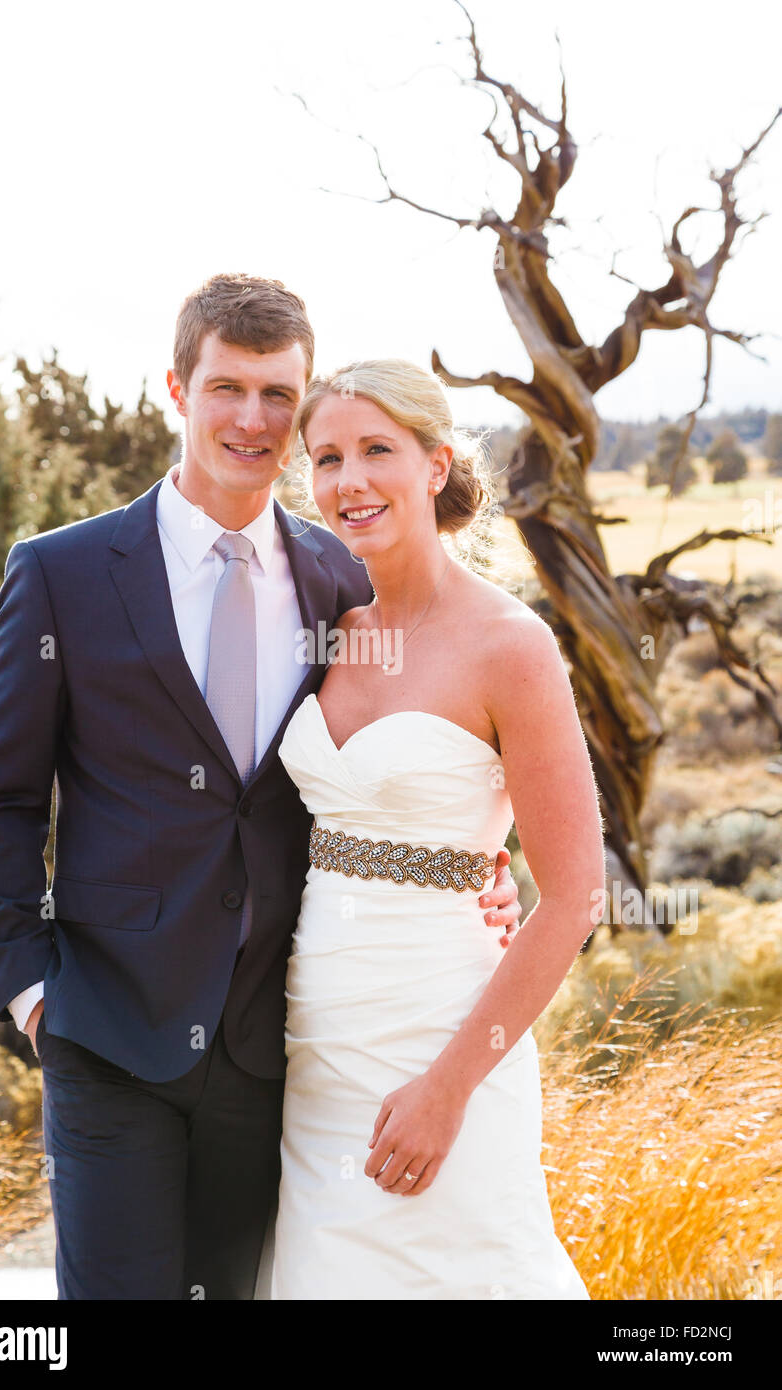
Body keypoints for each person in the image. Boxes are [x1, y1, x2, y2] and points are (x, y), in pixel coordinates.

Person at [0, 275, 522, 1300]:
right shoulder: (62, 573)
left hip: (278, 1047)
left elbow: (421, 741)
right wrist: (29, 990)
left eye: (276, 396)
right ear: (178, 388)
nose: (252, 420)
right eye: (227, 388)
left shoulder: (338, 578)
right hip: (106, 1031)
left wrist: (483, 861)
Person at [269, 358, 605, 1299]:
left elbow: (575, 893)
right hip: (314, 1050)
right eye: (327, 457)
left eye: (378, 450)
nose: (349, 480)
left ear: (435, 464)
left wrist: (449, 1089)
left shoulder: (511, 645)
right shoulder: (328, 628)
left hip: (444, 1043)